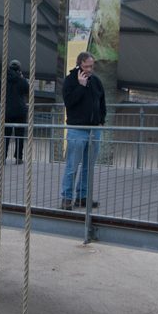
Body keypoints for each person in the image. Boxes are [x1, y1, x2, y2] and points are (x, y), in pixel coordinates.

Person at [61, 52, 106, 209]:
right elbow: (69, 102)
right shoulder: (70, 81)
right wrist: (81, 86)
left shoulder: (96, 81)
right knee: (72, 166)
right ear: (79, 65)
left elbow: (102, 102)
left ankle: (82, 196)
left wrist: (101, 122)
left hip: (94, 129)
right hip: (77, 129)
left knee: (88, 166)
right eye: (86, 66)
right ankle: (66, 197)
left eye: (91, 66)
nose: (89, 69)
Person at [0, 59, 30, 164]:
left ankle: (3, 157)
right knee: (19, 134)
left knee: (5, 134)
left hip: (7, 111)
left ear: (9, 68)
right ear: (19, 69)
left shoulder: (3, 80)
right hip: (20, 110)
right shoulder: (22, 80)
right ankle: (18, 157)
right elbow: (28, 91)